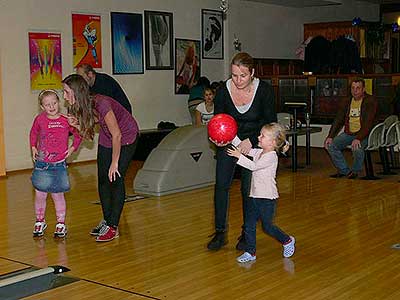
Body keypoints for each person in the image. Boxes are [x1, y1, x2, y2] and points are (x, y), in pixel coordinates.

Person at [207, 52, 277, 251]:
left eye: (243, 76)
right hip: (230, 143)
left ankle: (247, 234)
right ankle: (220, 233)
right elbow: (218, 121)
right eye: (234, 75)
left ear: (252, 73)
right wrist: (216, 138)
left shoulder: (264, 91)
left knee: (248, 190)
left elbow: (270, 122)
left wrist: (252, 140)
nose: (238, 80)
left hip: (255, 143)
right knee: (221, 186)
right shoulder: (222, 92)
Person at [62, 74, 139, 242]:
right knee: (103, 179)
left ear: (77, 92)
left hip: (126, 135)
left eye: (67, 92)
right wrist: (76, 125)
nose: (64, 97)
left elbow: (117, 135)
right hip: (107, 135)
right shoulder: (77, 107)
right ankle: (107, 220)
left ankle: (113, 226)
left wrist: (114, 162)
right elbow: (89, 136)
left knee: (115, 178)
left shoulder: (102, 102)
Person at [226, 123, 295, 263]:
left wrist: (239, 156)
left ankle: (287, 240)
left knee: (267, 227)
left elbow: (253, 166)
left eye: (262, 135)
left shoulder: (271, 156)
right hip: (254, 196)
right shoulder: (259, 152)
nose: (258, 137)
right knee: (249, 225)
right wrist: (230, 135)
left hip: (267, 198)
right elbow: (244, 148)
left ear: (273, 142)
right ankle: (250, 252)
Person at [30, 89, 82, 238]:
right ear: (42, 106)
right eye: (47, 104)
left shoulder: (66, 120)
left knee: (57, 195)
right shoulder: (40, 119)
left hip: (58, 164)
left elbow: (78, 134)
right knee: (40, 194)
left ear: (59, 102)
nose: (51, 107)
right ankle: (40, 220)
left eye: (54, 103)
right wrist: (33, 146)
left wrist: (73, 148)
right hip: (42, 164)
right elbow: (33, 133)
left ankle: (61, 223)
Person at [324, 78, 378, 179]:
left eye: (358, 88)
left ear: (363, 89)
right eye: (353, 88)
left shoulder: (370, 101)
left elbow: (368, 123)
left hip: (365, 134)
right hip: (349, 133)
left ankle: (355, 171)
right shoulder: (346, 101)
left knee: (357, 148)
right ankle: (345, 171)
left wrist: (359, 138)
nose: (355, 91)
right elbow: (338, 119)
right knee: (331, 145)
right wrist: (330, 136)